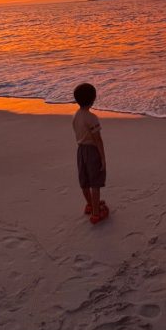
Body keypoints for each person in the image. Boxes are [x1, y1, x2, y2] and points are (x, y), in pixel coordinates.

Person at [72, 82, 109, 225]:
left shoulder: (76, 115)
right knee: (95, 182)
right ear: (93, 99)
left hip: (80, 150)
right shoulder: (92, 117)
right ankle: (96, 213)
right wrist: (103, 158)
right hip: (91, 150)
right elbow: (97, 139)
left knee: (85, 180)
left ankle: (90, 204)